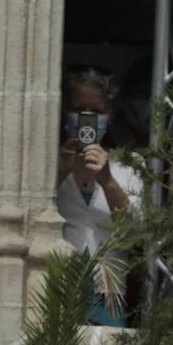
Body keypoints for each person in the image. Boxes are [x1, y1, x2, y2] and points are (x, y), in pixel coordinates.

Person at [55, 67, 142, 326]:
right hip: (55, 285)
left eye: (96, 112)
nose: (87, 119)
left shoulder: (129, 165)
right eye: (79, 109)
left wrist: (107, 181)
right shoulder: (47, 162)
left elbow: (135, 233)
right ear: (64, 110)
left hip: (108, 291)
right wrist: (59, 174)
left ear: (110, 114)